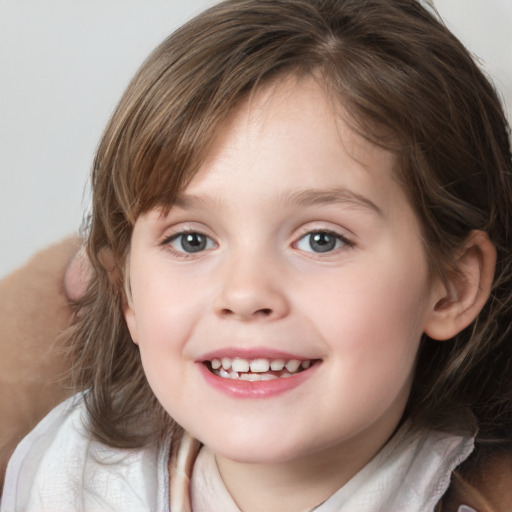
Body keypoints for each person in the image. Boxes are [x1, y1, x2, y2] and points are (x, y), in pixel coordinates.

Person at [2, 0, 512, 510]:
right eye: (192, 240)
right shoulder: (68, 476)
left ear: (451, 286)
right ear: (124, 290)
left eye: (321, 239)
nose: (245, 294)